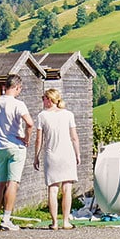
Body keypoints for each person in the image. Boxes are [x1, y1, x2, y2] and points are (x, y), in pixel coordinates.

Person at [0, 73, 34, 231]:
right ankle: (6, 219)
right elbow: (30, 123)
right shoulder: (19, 104)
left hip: (2, 146)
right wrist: (26, 138)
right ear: (17, 87)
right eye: (20, 89)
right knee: (13, 183)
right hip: (16, 146)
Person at [33, 88, 81, 230]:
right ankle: (65, 221)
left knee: (52, 190)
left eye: (44, 98)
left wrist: (36, 156)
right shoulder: (68, 115)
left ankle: (54, 223)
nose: (43, 100)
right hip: (67, 154)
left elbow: (39, 140)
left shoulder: (42, 116)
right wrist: (77, 154)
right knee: (67, 188)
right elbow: (74, 137)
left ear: (49, 99)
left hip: (51, 155)